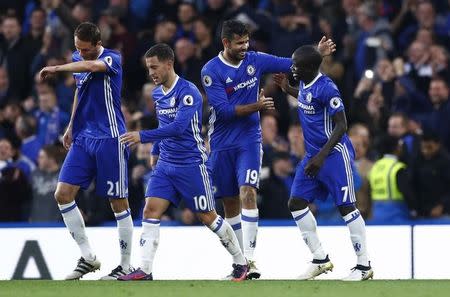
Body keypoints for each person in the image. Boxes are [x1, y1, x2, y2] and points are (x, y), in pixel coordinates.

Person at [200, 19, 335, 279]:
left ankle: (250, 260)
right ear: (225, 42)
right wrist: (257, 106)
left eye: (247, 41)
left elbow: (292, 63)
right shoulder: (211, 70)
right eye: (239, 43)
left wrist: (317, 52)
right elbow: (224, 111)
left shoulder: (256, 59)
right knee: (229, 202)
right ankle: (239, 263)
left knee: (247, 191)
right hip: (221, 143)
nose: (245, 47)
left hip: (249, 140)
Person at [117, 43, 248, 282]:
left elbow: (178, 127)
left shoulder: (189, 92)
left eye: (155, 67)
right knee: (150, 210)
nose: (151, 73)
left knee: (208, 216)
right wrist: (155, 151)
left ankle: (241, 262)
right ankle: (145, 270)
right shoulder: (157, 93)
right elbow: (163, 125)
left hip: (192, 164)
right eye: (148, 68)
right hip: (166, 164)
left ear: (169, 64)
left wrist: (142, 137)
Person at [38, 22, 134, 280]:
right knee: (63, 193)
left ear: (97, 44)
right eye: (78, 49)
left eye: (87, 50)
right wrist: (71, 125)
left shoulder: (113, 58)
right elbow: (80, 92)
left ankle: (125, 265)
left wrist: (57, 67)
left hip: (111, 137)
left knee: (118, 202)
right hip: (83, 137)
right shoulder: (78, 57)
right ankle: (88, 258)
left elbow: (92, 67)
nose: (82, 54)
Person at [274, 45, 373, 281]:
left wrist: (321, 156)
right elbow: (308, 99)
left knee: (347, 207)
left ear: (309, 68)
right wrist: (288, 89)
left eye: (296, 66)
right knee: (296, 202)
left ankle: (364, 266)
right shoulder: (306, 83)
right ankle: (320, 259)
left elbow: (342, 125)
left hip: (334, 154)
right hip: (313, 154)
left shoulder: (328, 88)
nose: (293, 68)